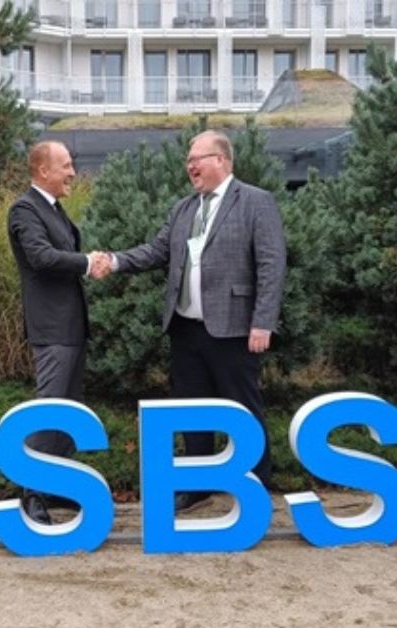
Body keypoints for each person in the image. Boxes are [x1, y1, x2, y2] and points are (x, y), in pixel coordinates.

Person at [92, 130, 287, 511]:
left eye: (198, 158)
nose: (190, 166)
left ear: (223, 160)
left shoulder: (255, 202)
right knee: (192, 409)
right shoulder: (185, 208)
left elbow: (272, 264)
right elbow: (156, 251)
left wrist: (263, 322)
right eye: (188, 160)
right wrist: (113, 261)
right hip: (185, 328)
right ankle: (198, 486)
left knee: (243, 409)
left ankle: (257, 487)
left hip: (234, 329)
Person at [7, 140, 108, 524]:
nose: (72, 173)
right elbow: (41, 257)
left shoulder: (54, 210)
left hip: (71, 328)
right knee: (48, 410)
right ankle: (30, 495)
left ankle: (58, 486)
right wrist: (87, 262)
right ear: (42, 171)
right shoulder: (24, 209)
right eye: (65, 166)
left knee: (68, 411)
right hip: (51, 330)